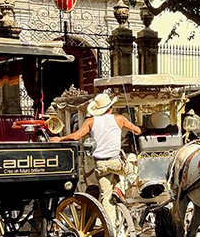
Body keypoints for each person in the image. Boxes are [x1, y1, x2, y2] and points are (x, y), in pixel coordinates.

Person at [51, 93, 141, 225]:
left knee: (106, 198)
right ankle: (120, 188)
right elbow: (137, 130)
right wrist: (137, 129)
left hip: (100, 165)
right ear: (110, 107)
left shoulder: (90, 121)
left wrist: (60, 138)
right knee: (135, 171)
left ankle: (112, 231)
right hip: (116, 162)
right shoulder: (119, 119)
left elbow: (76, 136)